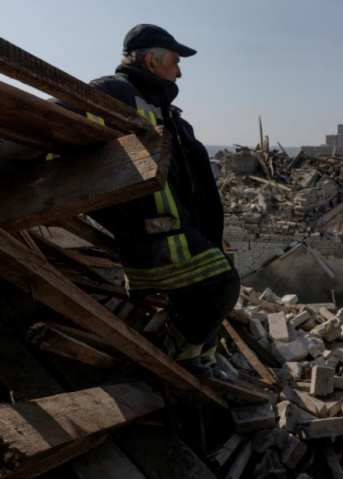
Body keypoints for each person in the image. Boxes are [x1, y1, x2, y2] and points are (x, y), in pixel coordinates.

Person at [84, 24, 240, 379]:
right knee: (223, 283)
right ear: (152, 61)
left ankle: (200, 363)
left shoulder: (166, 111)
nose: (180, 71)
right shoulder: (114, 93)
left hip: (176, 234)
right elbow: (56, 120)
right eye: (174, 61)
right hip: (153, 238)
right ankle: (167, 363)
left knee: (201, 298)